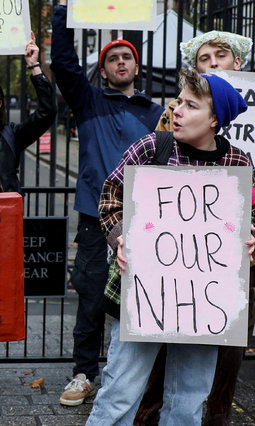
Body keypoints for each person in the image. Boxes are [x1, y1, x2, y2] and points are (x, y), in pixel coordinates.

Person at [88, 69, 252, 425]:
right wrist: (121, 237)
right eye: (179, 101)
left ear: (214, 120)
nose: (177, 110)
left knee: (189, 401)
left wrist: (249, 240)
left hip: (205, 305)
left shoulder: (238, 163)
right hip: (143, 298)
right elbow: (110, 197)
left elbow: (246, 219)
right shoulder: (152, 147)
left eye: (191, 105)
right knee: (120, 394)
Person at [135, 30, 253, 426]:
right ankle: (149, 417)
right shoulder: (176, 118)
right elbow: (146, 181)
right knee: (162, 352)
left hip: (230, 258)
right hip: (173, 260)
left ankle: (215, 417)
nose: (214, 63)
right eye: (205, 58)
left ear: (238, 64)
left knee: (222, 354)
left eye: (221, 56)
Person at [50, 0, 164, 407]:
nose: (119, 63)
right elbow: (63, 61)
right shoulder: (88, 101)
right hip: (95, 219)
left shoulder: (156, 113)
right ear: (104, 68)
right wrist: (62, 9)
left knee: (144, 296)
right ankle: (83, 373)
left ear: (135, 67)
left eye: (125, 58)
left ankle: (135, 376)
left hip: (147, 220)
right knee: (93, 295)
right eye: (112, 58)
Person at [0, 31, 56, 193]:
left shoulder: (11, 135)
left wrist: (34, 66)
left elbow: (47, 111)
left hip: (7, 214)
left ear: (0, 102)